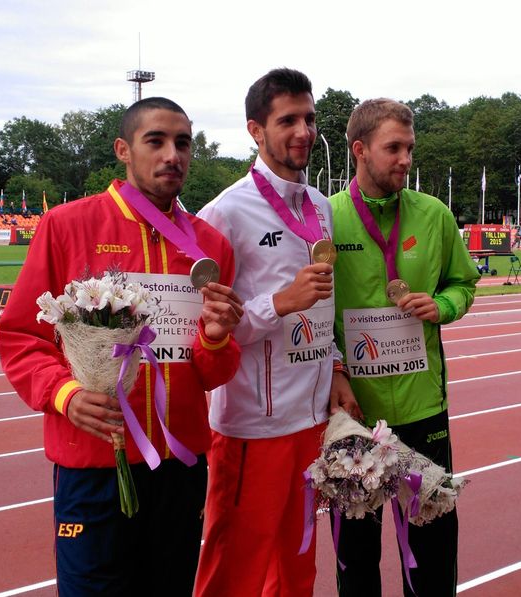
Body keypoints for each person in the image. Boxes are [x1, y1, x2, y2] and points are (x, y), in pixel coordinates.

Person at [0, 97, 244, 596]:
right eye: (156, 141)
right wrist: (65, 395)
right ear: (123, 150)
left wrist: (215, 340)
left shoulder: (211, 247)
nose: (172, 154)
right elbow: (22, 337)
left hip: (180, 468)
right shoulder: (67, 226)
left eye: (183, 143)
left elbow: (212, 373)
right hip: (93, 461)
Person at [193, 68, 358, 597]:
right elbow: (206, 329)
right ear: (255, 130)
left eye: (309, 118)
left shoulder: (321, 208)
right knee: (235, 569)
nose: (303, 131)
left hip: (309, 421)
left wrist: (334, 366)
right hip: (251, 427)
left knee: (298, 565)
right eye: (287, 120)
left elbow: (324, 304)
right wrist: (279, 304)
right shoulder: (224, 213)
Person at [329, 98, 480, 597]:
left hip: (423, 408)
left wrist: (443, 305)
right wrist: (334, 374)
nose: (405, 160)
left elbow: (464, 283)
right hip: (354, 416)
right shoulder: (326, 219)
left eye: (410, 148)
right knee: (356, 555)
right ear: (359, 150)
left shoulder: (434, 215)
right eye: (393, 148)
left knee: (433, 552)